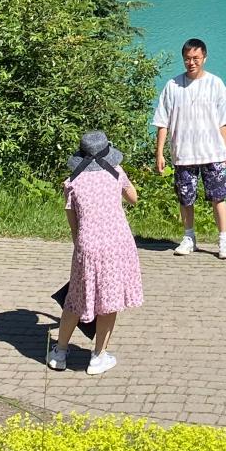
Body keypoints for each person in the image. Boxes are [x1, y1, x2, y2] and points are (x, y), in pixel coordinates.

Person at [47, 131, 143, 376]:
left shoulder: (72, 183)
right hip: (117, 244)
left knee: (75, 298)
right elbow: (134, 199)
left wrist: (80, 245)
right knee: (108, 302)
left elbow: (74, 225)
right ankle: (99, 356)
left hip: (87, 246)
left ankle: (59, 353)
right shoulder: (116, 173)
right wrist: (123, 177)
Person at [153, 37, 226, 259]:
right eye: (188, 58)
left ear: (204, 58)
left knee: (218, 196)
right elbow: (162, 122)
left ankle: (223, 240)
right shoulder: (172, 86)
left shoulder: (215, 84)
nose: (192, 62)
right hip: (183, 152)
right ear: (183, 59)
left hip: (212, 151)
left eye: (196, 58)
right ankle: (189, 237)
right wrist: (159, 153)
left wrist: (225, 150)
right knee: (185, 197)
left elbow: (223, 121)